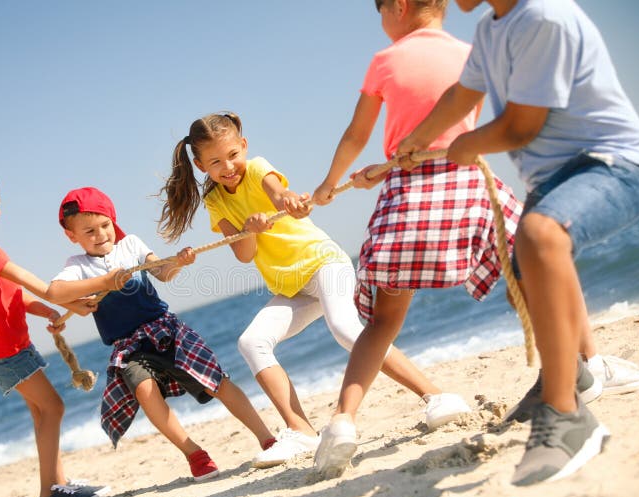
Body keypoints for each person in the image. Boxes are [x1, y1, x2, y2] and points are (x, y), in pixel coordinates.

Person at [396, 0, 639, 485]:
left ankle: (568, 417)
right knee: (523, 263)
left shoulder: (543, 16)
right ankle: (569, 377)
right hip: (554, 180)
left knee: (540, 236)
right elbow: (462, 93)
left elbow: (522, 126)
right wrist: (418, 138)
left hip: (613, 164)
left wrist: (466, 145)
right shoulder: (489, 27)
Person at [157, 111, 472, 469]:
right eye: (215, 162)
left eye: (232, 155)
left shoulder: (258, 168)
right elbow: (244, 254)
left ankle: (436, 397)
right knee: (251, 342)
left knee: (345, 329)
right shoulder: (215, 200)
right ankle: (301, 430)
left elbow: (281, 196)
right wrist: (251, 229)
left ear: (243, 146)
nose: (228, 166)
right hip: (292, 287)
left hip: (324, 264)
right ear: (200, 166)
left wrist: (289, 202)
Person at [310, 0, 523, 477]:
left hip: (408, 193)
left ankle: (343, 421)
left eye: (381, 11)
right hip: (468, 183)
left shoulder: (385, 61)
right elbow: (474, 120)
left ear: (400, 7)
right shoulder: (471, 51)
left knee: (383, 321)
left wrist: (330, 184)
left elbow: (356, 132)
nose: (382, 22)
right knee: (530, 272)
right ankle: (580, 363)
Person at [45, 187, 278, 482]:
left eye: (105, 225)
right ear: (72, 235)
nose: (101, 234)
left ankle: (266, 437)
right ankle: (195, 454)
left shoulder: (130, 244)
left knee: (214, 380)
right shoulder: (77, 266)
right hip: (127, 346)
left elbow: (163, 272)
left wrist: (178, 262)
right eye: (89, 230)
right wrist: (105, 280)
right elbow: (55, 292)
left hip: (164, 328)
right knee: (144, 390)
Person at [0, 169, 109, 497]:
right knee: (53, 408)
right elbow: (39, 285)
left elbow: (14, 295)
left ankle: (56, 486)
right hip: (4, 351)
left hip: (9, 347)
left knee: (41, 412)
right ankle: (50, 494)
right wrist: (70, 300)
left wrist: (48, 311)